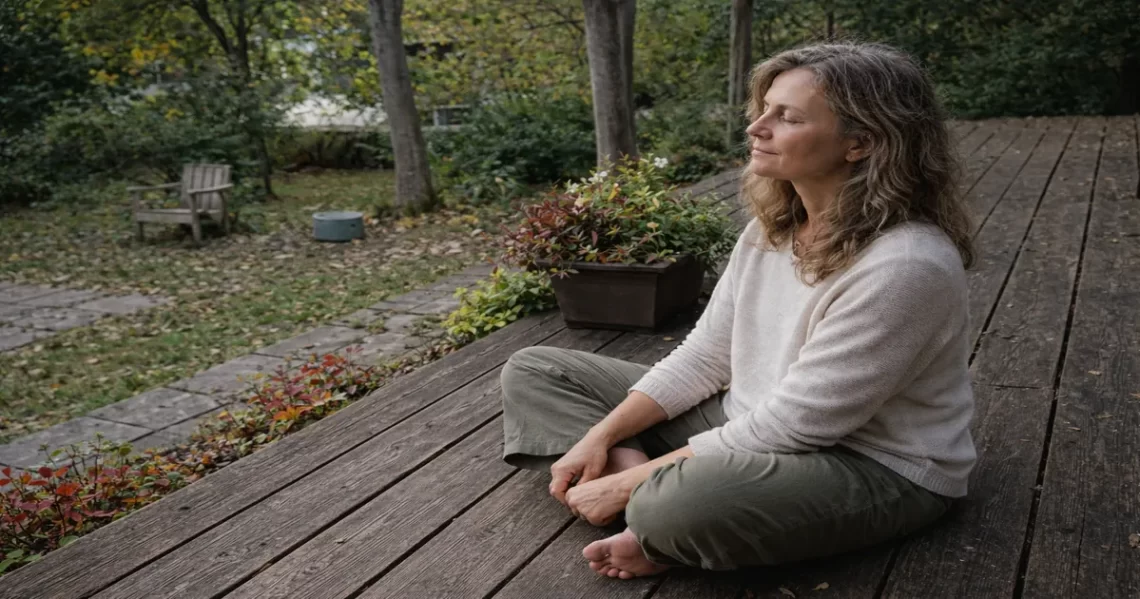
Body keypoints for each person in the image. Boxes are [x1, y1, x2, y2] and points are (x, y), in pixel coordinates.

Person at [499, 41, 977, 580]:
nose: (757, 127)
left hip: (869, 463)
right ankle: (646, 502)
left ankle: (653, 510)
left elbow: (800, 424)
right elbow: (707, 355)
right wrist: (601, 439)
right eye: (764, 109)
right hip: (748, 420)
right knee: (538, 370)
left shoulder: (905, 264)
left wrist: (628, 484)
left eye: (787, 117)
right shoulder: (771, 231)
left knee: (676, 507)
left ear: (860, 142)